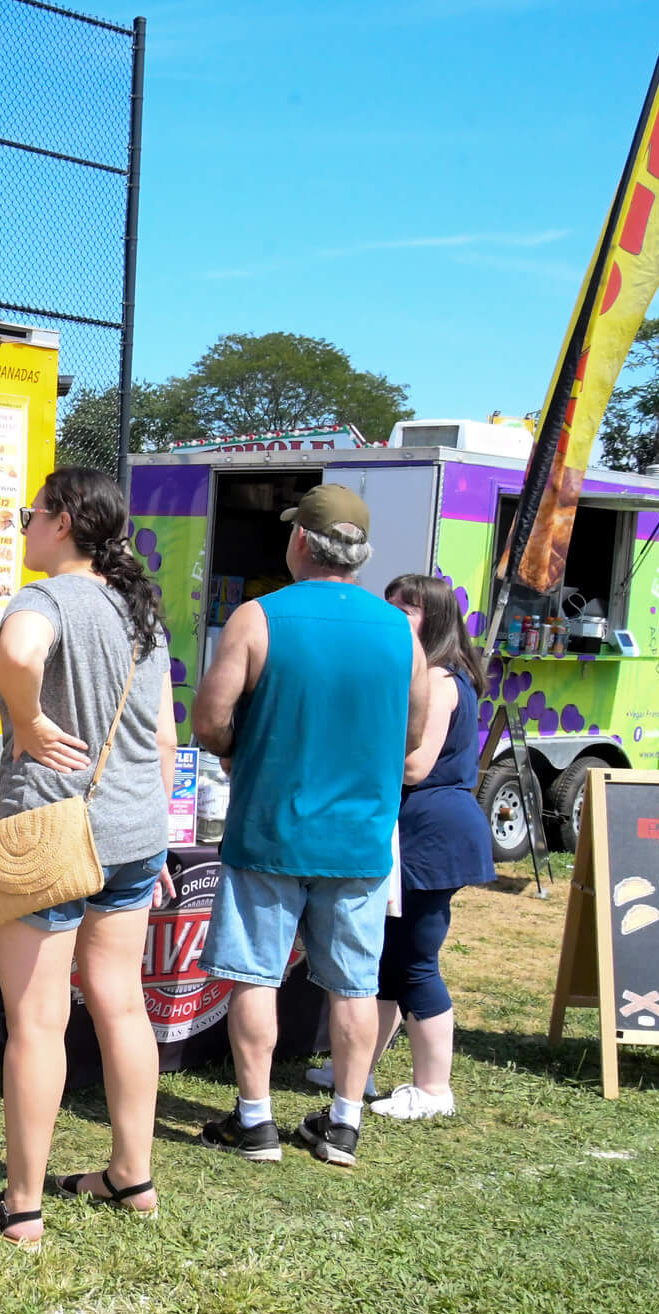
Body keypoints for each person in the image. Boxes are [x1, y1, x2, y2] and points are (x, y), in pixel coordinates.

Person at [0, 468, 178, 1248]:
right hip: (134, 834)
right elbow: (163, 742)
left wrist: (28, 718)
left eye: (28, 514)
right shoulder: (141, 609)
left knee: (38, 1021)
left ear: (64, 520)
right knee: (120, 1003)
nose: (24, 527)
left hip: (50, 833)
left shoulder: (41, 600)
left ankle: (21, 1206)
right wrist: (156, 831)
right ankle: (132, 1174)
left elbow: (17, 652)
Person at [190, 484, 428, 1169]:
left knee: (254, 974)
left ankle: (256, 1119)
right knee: (354, 982)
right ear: (361, 553)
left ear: (300, 541)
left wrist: (245, 749)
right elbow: (411, 734)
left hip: (271, 825)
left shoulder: (258, 618)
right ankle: (345, 1123)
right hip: (359, 833)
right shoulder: (400, 630)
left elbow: (209, 721)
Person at [362, 573, 494, 1120]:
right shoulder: (433, 676)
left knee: (417, 961)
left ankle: (435, 1089)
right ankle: (360, 1067)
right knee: (392, 959)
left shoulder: (440, 681)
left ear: (435, 619)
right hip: (424, 831)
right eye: (390, 603)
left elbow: (416, 766)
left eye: (408, 608)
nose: (395, 613)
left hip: (433, 833)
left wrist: (356, 748)